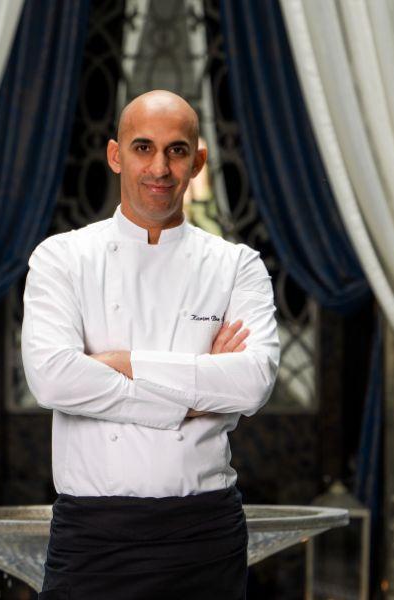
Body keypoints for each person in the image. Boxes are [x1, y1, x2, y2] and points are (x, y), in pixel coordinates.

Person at [21, 90, 280, 599]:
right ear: (116, 155)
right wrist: (193, 394)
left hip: (205, 532)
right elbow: (52, 379)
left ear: (197, 162)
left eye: (176, 151)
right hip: (93, 536)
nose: (159, 168)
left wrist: (123, 363)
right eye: (143, 147)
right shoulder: (62, 258)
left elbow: (252, 384)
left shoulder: (237, 266)